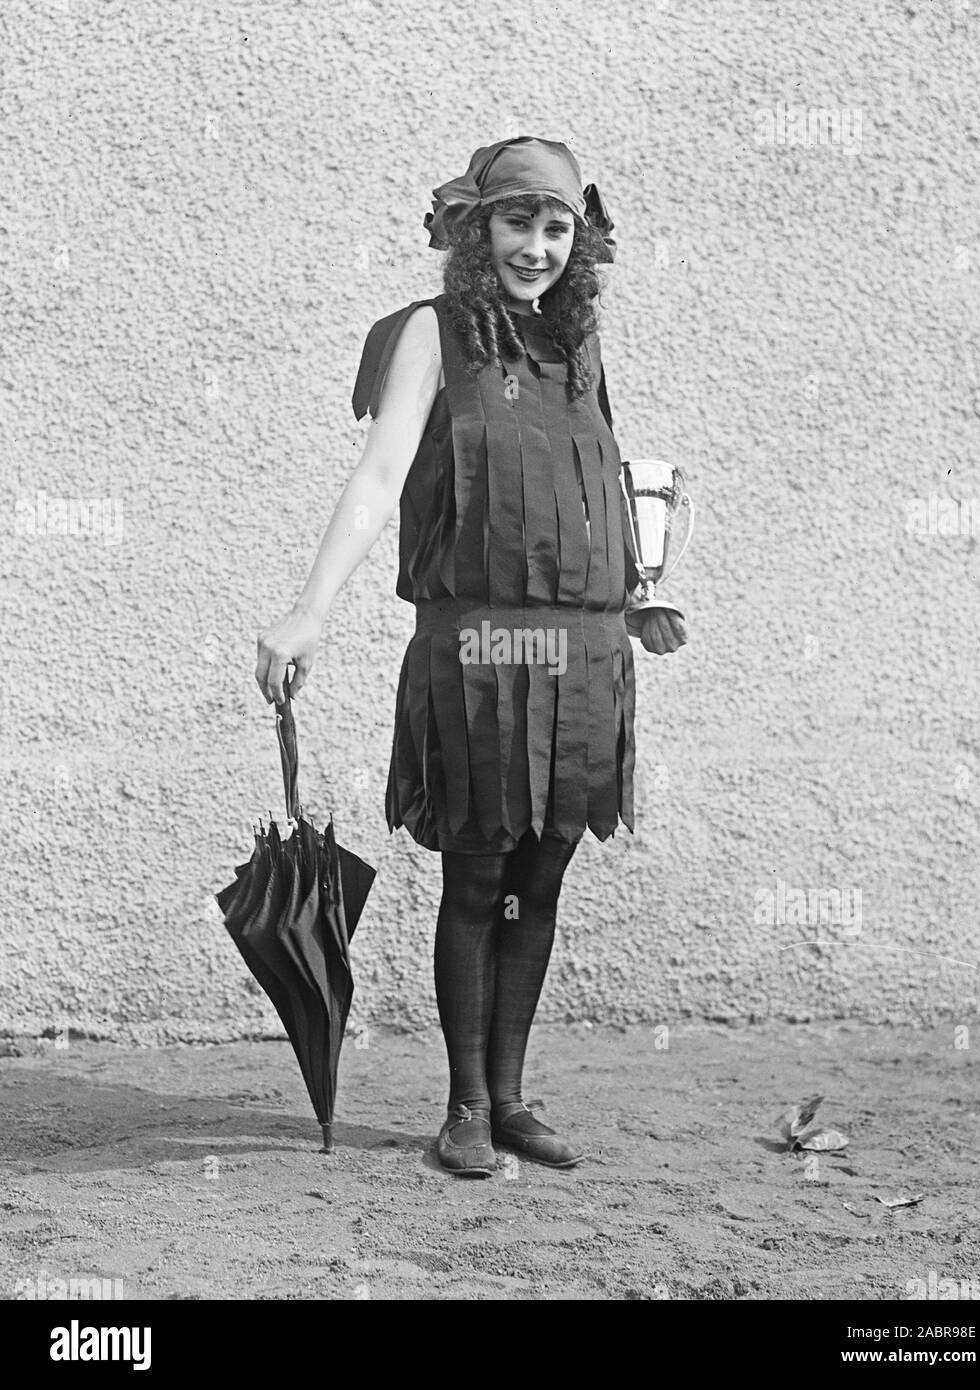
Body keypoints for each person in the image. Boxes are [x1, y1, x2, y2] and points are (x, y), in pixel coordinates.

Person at [254, 136, 687, 1177]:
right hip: (481, 651)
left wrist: (637, 594)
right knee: (479, 877)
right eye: (515, 222)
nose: (534, 246)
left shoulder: (581, 352)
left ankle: (514, 1094)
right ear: (473, 227)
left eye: (555, 227)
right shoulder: (428, 334)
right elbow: (379, 479)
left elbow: (590, 492)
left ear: (576, 243)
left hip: (585, 662)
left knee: (540, 883)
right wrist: (310, 610)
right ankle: (463, 1108)